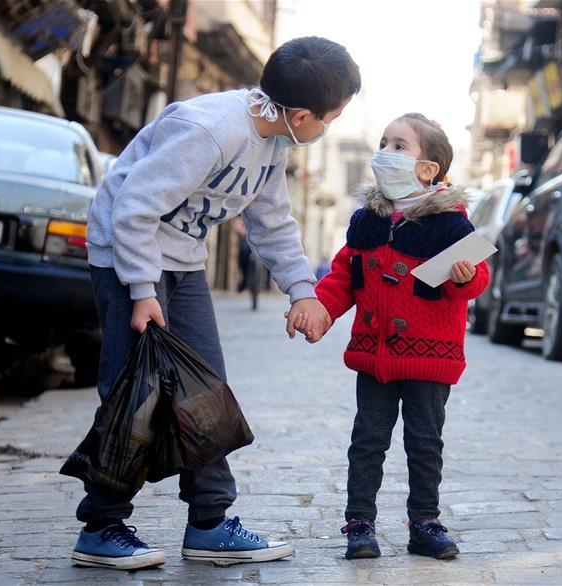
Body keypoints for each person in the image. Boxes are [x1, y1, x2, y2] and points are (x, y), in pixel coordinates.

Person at [71, 36, 359, 570]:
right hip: (127, 257)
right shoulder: (210, 130)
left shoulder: (272, 142)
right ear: (302, 115)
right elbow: (133, 206)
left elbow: (272, 223)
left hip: (182, 260)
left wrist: (302, 290)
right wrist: (141, 290)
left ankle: (208, 523)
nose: (329, 128)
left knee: (205, 392)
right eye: (332, 118)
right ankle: (101, 526)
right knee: (135, 392)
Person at [298, 113, 490, 560]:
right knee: (367, 441)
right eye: (383, 143)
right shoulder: (367, 220)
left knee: (425, 442)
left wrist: (463, 277)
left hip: (429, 360)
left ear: (427, 169)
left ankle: (424, 522)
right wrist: (320, 309)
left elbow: (478, 277)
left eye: (399, 146)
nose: (385, 152)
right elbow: (344, 275)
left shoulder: (450, 223)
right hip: (374, 357)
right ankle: (359, 523)